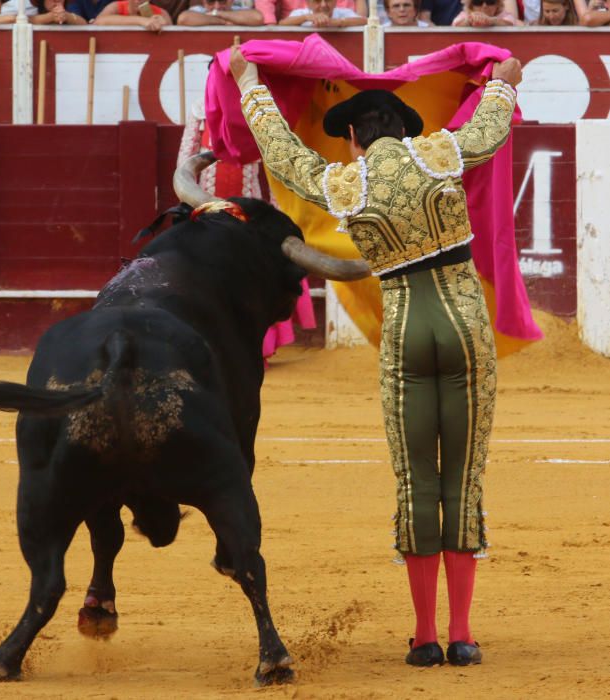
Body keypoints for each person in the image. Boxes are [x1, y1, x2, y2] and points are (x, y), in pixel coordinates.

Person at [229, 43, 522, 667]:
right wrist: (504, 83)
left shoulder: (343, 179)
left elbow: (281, 152)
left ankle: (423, 638)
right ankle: (463, 635)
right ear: (402, 131)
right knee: (462, 478)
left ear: (355, 139)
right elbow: (492, 126)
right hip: (466, 326)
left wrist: (249, 81)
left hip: (406, 328)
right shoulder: (441, 151)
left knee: (417, 482)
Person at [177, 96, 317, 361]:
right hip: (209, 210)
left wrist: (277, 212)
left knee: (253, 278)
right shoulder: (200, 113)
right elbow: (185, 161)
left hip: (249, 213)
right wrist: (188, 209)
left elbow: (275, 169)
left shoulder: (258, 113)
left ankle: (258, 347)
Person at [93, 0, 171, 30]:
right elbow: (99, 21)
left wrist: (165, 26)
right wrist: (141, 21)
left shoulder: (161, 12)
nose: (138, 1)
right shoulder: (117, 6)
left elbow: (173, 36)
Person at [279, 0, 366, 25]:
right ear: (308, 3)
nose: (323, 5)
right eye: (317, 1)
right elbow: (282, 23)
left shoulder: (343, 13)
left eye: (328, 0)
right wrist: (305, 18)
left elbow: (365, 21)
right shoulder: (301, 13)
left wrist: (338, 22)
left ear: (335, 2)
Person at [177, 0, 263, 25]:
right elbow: (183, 19)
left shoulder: (238, 9)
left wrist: (218, 14)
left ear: (231, 1)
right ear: (203, 2)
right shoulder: (198, 10)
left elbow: (257, 18)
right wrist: (223, 21)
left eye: (222, 1)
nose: (217, 6)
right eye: (211, 1)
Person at [451, 0, 517, 25]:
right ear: (471, 6)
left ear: (497, 4)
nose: (484, 6)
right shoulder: (465, 15)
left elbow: (510, 23)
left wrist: (491, 20)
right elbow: (455, 25)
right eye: (478, 2)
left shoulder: (503, 14)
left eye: (490, 2)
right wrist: (469, 20)